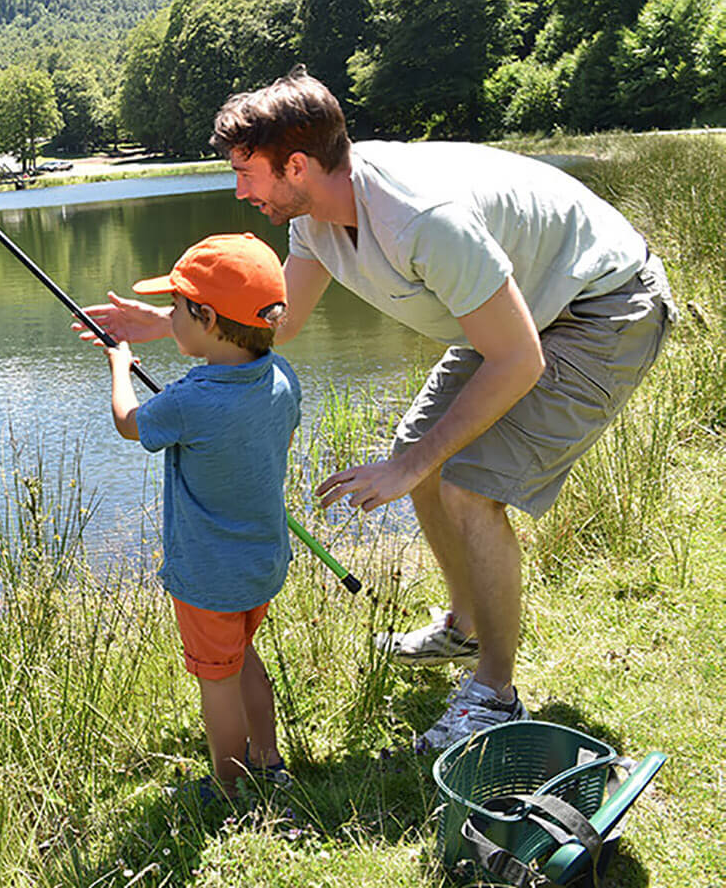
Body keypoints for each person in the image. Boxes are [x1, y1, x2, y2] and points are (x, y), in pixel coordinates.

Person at [84, 66, 674, 750]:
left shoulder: (422, 221)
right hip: (522, 313)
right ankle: (463, 625)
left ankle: (495, 692)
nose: (238, 189)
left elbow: (519, 361)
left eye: (246, 172)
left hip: (600, 307)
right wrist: (160, 324)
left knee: (465, 480)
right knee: (420, 447)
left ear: (297, 164)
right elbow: (280, 322)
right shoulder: (315, 218)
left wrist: (409, 465)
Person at [104, 232, 301, 795]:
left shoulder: (190, 401)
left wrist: (121, 365)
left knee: (217, 680)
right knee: (242, 657)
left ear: (208, 318)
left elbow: (131, 423)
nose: (170, 317)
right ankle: (267, 760)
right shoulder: (283, 375)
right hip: (261, 562)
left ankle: (229, 787)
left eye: (176, 309)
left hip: (209, 574)